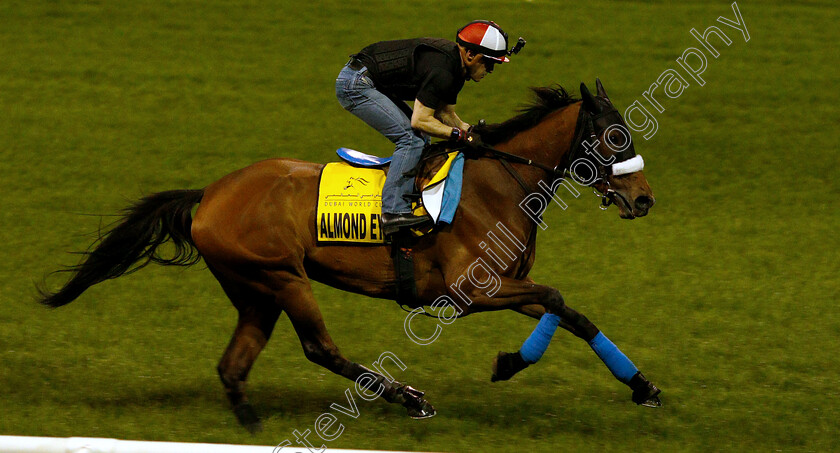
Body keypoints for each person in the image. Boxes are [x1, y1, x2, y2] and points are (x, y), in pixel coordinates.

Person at [336, 20, 516, 237]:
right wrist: (459, 135)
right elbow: (420, 121)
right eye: (489, 63)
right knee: (411, 139)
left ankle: (406, 198)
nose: (491, 70)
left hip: (368, 77)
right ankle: (393, 212)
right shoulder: (444, 71)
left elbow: (445, 113)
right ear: (470, 55)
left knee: (421, 139)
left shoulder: (455, 68)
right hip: (355, 84)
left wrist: (469, 132)